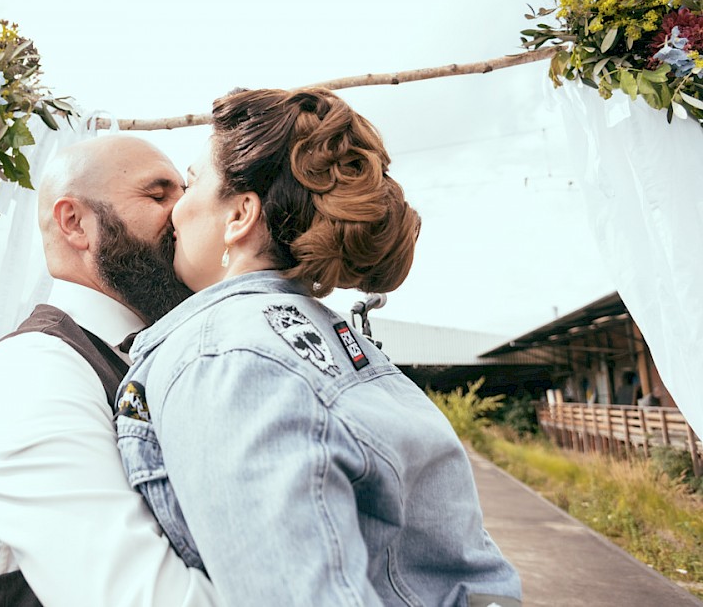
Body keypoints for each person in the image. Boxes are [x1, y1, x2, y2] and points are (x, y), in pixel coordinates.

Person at [116, 88, 523, 606]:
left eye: (191, 183)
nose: (175, 210)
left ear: (240, 214)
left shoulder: (224, 359)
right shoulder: (330, 334)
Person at [0, 135, 223, 606]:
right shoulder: (30, 375)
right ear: (75, 223)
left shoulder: (145, 360)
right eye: (159, 195)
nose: (183, 213)